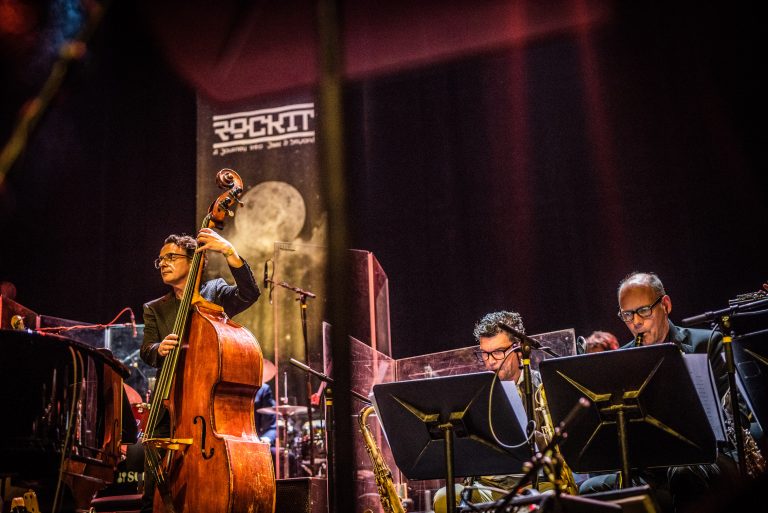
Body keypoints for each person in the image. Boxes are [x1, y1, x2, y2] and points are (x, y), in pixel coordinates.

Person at [578, 271, 740, 513]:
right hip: (652, 466)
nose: (636, 323)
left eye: (643, 311)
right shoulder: (621, 358)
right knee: (589, 490)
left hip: (709, 457)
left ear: (665, 304)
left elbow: (737, 415)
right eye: (627, 315)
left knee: (683, 471)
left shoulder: (708, 343)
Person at [139, 230, 260, 513]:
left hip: (204, 404)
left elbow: (249, 293)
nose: (164, 264)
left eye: (171, 257)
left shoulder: (215, 292)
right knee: (153, 467)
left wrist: (230, 252)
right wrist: (158, 348)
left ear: (195, 262)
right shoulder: (154, 308)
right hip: (169, 398)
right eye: (160, 260)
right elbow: (146, 350)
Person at [433, 310, 543, 513]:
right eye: (484, 353)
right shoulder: (477, 392)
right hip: (487, 484)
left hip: (531, 482)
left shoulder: (540, 386)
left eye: (498, 352)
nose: (490, 361)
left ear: (518, 350)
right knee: (443, 497)